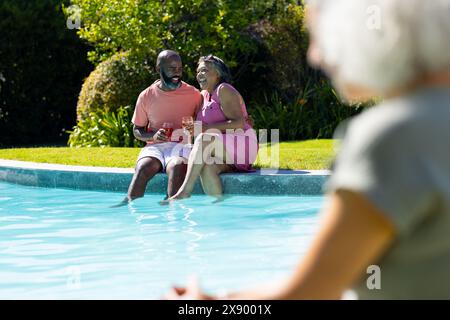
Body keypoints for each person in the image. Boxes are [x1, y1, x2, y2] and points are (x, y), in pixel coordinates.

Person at [165, 0, 450, 299]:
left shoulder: (390, 138)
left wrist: (203, 304)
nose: (314, 56)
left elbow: (310, 295)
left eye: (322, 35)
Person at [165, 55, 258, 201]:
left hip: (243, 144)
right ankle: (219, 208)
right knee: (207, 166)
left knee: (204, 138)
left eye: (204, 70)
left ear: (218, 74)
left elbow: (239, 124)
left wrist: (205, 129)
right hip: (224, 151)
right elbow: (201, 128)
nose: (199, 74)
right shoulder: (203, 95)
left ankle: (184, 191)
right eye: (198, 71)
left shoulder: (224, 89)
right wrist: (193, 132)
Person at [118, 50, 202, 205]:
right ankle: (128, 206)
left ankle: (171, 207)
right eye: (172, 68)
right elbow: (137, 130)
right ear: (158, 69)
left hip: (181, 146)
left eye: (179, 68)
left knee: (176, 167)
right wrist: (152, 136)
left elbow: (203, 124)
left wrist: (195, 128)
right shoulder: (146, 95)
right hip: (155, 147)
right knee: (143, 167)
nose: (177, 73)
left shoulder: (194, 94)